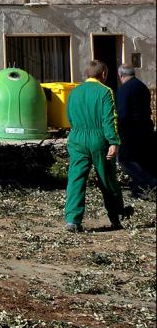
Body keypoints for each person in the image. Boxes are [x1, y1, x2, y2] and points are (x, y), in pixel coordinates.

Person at [63, 60, 124, 233]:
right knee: (107, 179)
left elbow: (69, 116)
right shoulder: (105, 91)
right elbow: (109, 119)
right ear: (103, 73)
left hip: (77, 137)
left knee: (76, 178)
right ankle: (116, 217)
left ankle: (72, 220)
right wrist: (113, 141)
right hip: (98, 138)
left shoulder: (74, 91)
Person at [115, 65, 156, 199]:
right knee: (141, 160)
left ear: (121, 76)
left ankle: (149, 181)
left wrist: (118, 130)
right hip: (146, 128)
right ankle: (138, 190)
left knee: (124, 159)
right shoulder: (142, 87)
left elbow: (122, 114)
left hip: (131, 130)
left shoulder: (124, 89)